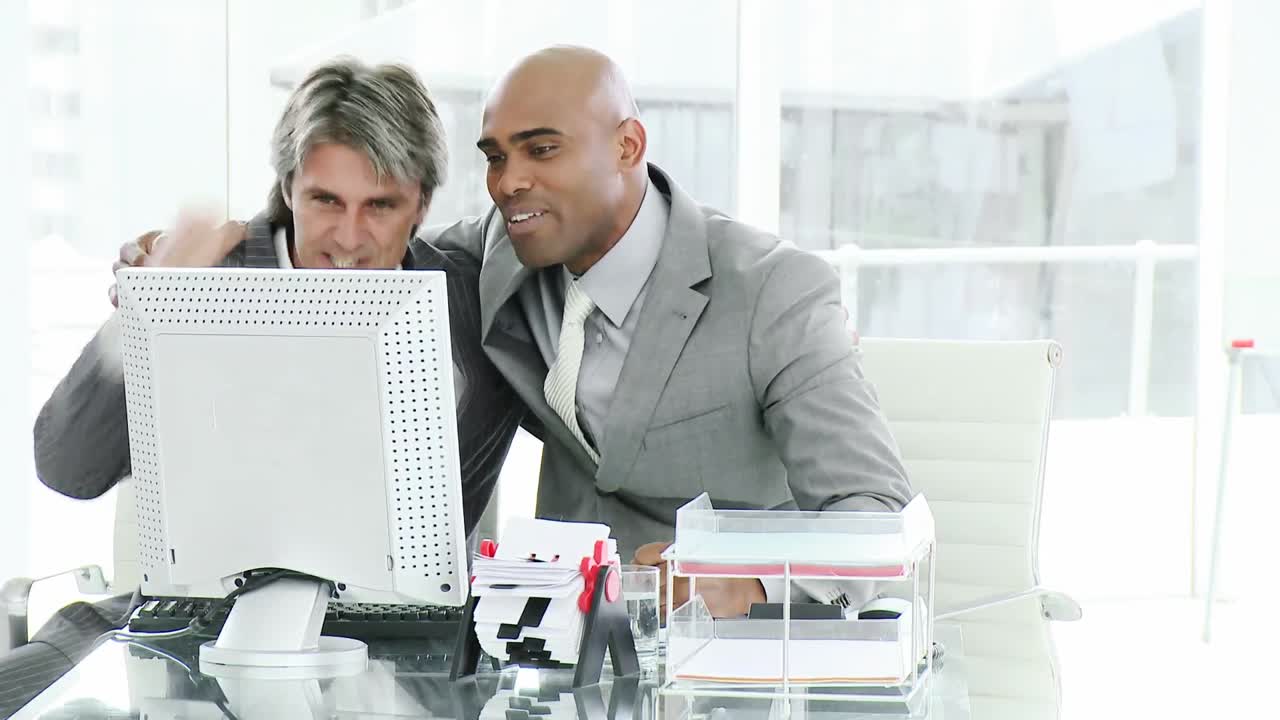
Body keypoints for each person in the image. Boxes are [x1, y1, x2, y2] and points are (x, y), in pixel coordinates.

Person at [5, 57, 523, 714]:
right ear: (287, 188)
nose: (349, 238)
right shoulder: (200, 276)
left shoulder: (472, 307)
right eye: (325, 200)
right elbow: (67, 467)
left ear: (421, 203)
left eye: (381, 205)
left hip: (398, 657)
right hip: (181, 635)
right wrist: (148, 301)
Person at [424, 46, 914, 617]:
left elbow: (876, 511)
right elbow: (372, 239)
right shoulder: (501, 251)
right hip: (561, 647)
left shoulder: (772, 291)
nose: (509, 182)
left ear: (627, 146)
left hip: (735, 663)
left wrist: (753, 588)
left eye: (542, 149)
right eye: (495, 157)